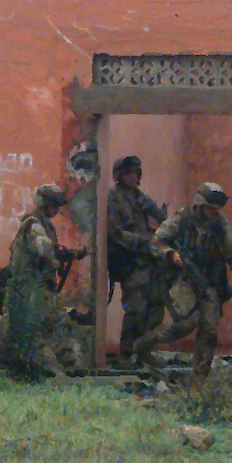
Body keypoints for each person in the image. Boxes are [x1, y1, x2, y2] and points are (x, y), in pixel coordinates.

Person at [132, 186, 232, 381]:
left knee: (209, 327)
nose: (212, 212)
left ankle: (200, 374)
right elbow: (156, 241)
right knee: (183, 325)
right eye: (209, 208)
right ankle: (142, 345)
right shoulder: (181, 218)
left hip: (209, 281)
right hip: (184, 279)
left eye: (215, 209)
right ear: (199, 204)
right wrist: (171, 254)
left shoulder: (220, 224)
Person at [4, 183, 89, 375]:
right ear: (45, 204)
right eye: (54, 205)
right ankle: (50, 372)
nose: (56, 210)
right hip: (30, 291)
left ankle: (73, 367)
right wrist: (65, 253)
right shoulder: (33, 224)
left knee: (58, 326)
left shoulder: (44, 224)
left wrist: (70, 254)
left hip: (40, 289)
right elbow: (44, 248)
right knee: (36, 334)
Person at [106, 155, 168, 364]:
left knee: (156, 306)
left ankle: (145, 351)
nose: (133, 177)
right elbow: (115, 232)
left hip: (150, 260)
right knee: (136, 308)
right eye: (128, 174)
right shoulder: (113, 198)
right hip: (130, 260)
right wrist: (143, 241)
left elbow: (163, 220)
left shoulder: (141, 198)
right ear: (120, 176)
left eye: (135, 173)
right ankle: (125, 354)